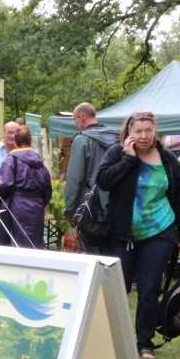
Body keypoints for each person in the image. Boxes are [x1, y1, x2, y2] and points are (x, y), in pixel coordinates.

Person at [96, 111, 180, 359]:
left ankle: (144, 343)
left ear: (155, 131)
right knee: (119, 288)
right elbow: (103, 181)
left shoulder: (168, 160)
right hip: (121, 235)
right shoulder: (116, 153)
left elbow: (178, 197)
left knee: (149, 289)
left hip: (159, 233)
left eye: (147, 130)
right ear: (129, 133)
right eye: (137, 131)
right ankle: (110, 339)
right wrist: (129, 160)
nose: (143, 135)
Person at [66, 102, 118, 253]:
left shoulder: (82, 139)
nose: (75, 124)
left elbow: (75, 178)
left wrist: (70, 210)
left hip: (90, 207)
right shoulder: (116, 137)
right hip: (115, 203)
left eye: (75, 119)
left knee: (91, 254)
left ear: (82, 117)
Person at [0, 125, 52, 249]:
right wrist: (40, 203)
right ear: (30, 141)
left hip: (17, 207)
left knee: (18, 243)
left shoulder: (11, 160)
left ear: (15, 142)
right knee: (35, 243)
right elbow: (47, 189)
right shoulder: (39, 161)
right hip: (37, 207)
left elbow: (4, 184)